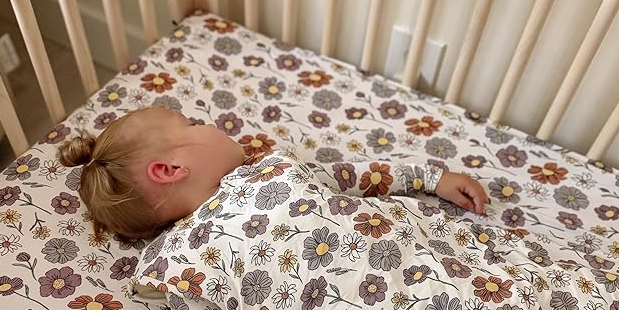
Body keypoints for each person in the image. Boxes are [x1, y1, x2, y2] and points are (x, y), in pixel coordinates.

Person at [58, 106, 488, 239]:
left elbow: (349, 177)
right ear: (170, 169)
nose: (208, 124)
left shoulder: (269, 169)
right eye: (191, 124)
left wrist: (430, 178)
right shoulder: (183, 259)